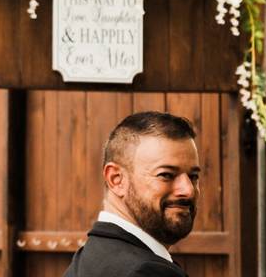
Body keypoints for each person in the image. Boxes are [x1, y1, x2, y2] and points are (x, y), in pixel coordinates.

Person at [64, 111, 200, 277]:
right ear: (116, 179)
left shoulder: (89, 258)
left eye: (193, 176)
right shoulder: (146, 272)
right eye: (166, 175)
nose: (188, 190)